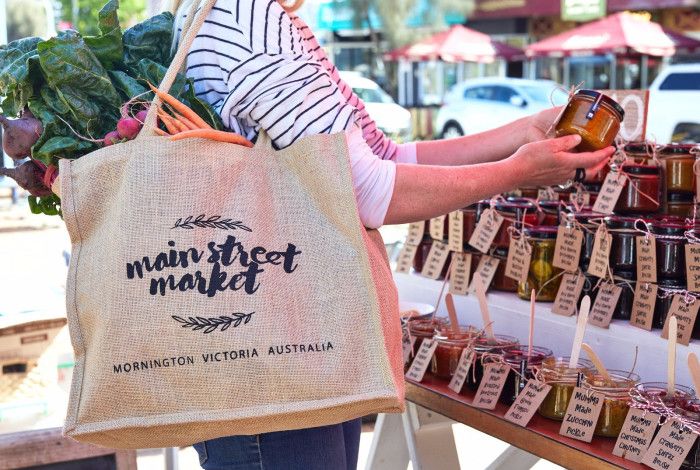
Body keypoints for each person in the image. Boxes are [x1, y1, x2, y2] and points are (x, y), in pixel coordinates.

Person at [162, 1, 615, 468]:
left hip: (304, 334)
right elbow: (366, 191)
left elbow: (383, 156)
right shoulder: (246, 18)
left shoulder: (262, 17)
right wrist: (514, 172)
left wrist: (521, 135)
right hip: (275, 351)